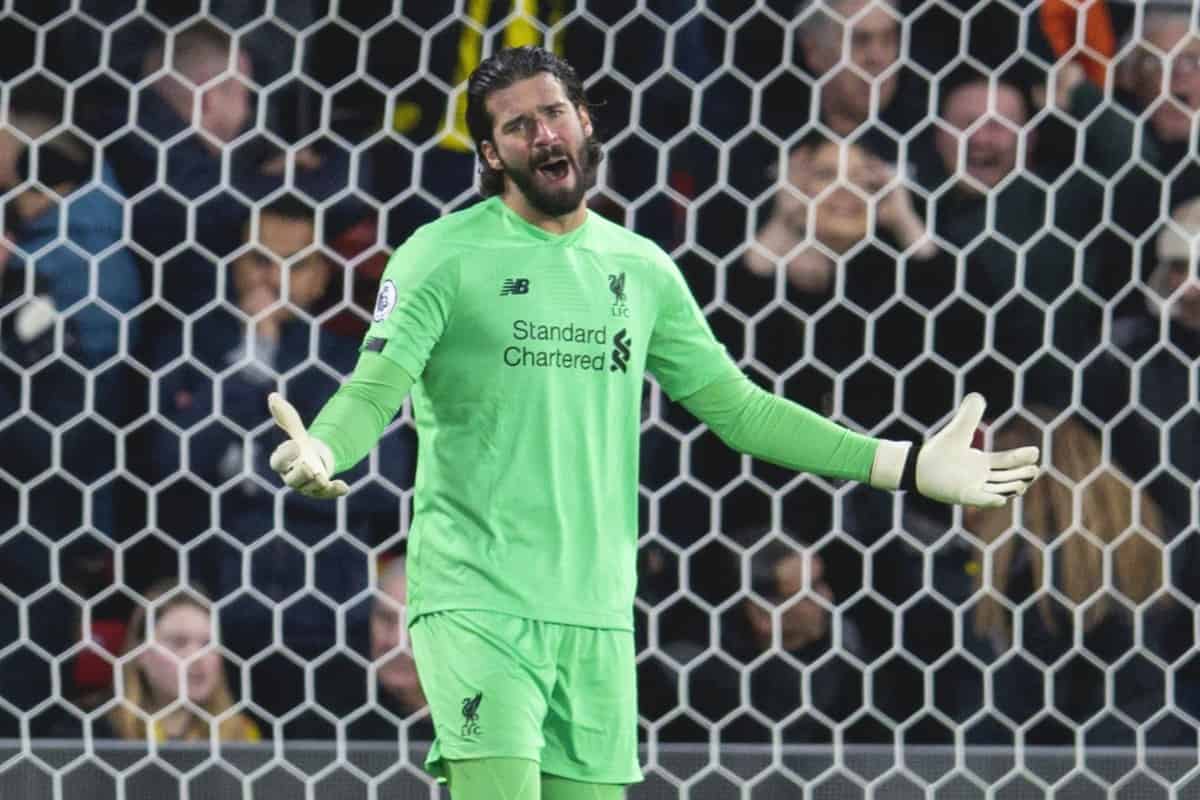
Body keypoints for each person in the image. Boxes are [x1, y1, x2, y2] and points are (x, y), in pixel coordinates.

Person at [266, 46, 1040, 800]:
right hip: (477, 598)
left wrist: (900, 464)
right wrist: (324, 444)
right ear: (492, 156)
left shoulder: (637, 267)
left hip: (597, 610)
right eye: (517, 126)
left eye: (555, 114)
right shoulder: (440, 254)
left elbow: (739, 410)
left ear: (585, 125)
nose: (543, 135)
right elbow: (376, 389)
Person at [150, 195, 401, 732]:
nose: (274, 278)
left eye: (296, 264)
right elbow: (171, 462)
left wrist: (259, 479)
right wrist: (254, 366)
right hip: (217, 611)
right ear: (234, 263)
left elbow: (386, 480)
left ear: (320, 277)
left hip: (329, 617)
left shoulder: (352, 364)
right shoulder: (188, 347)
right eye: (260, 259)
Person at [960, 409, 1199, 746]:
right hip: (1165, 748)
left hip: (1073, 767)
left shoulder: (1034, 582)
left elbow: (1025, 709)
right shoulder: (1156, 542)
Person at [58, 579, 261, 743]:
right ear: (141, 654)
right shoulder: (90, 732)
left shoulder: (242, 735)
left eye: (208, 644)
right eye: (179, 642)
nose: (198, 658)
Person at [345, 556, 434, 742]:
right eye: (386, 618)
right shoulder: (342, 717)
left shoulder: (485, 725)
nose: (397, 641)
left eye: (415, 623)